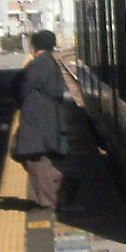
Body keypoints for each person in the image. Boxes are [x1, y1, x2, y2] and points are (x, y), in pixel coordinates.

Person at [12, 30, 76, 212]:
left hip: (36, 117)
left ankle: (49, 199)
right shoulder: (50, 62)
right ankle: (61, 181)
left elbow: (22, 86)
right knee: (34, 156)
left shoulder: (38, 64)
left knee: (31, 156)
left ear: (34, 46)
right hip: (46, 116)